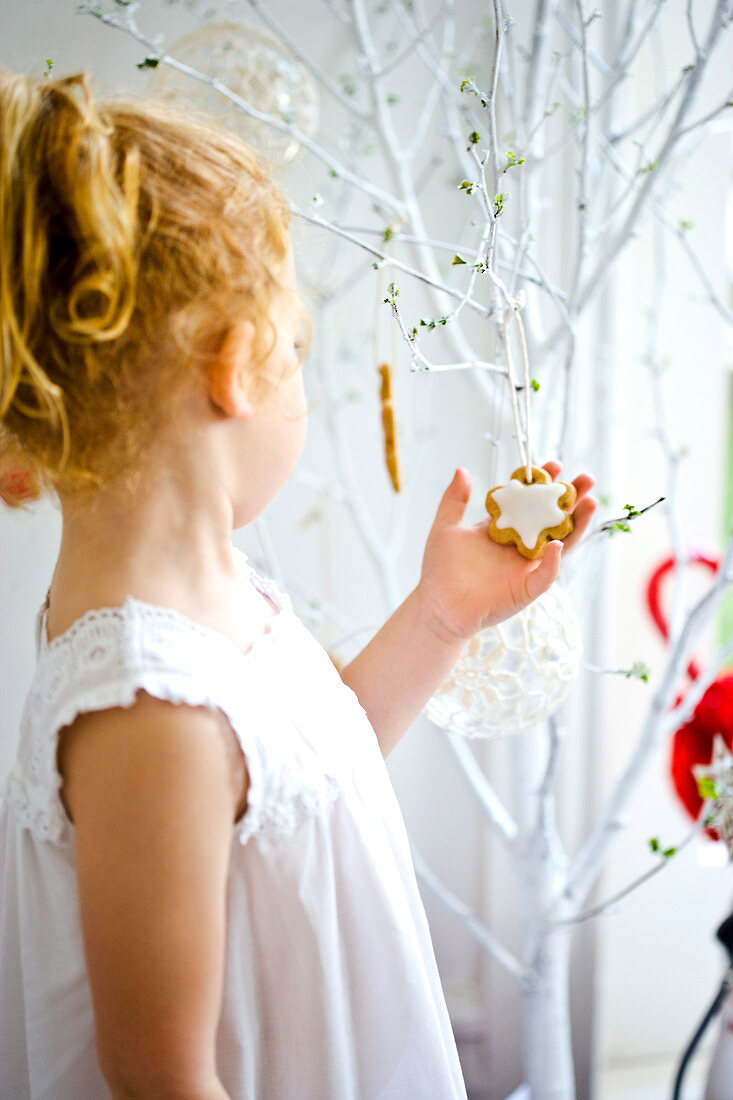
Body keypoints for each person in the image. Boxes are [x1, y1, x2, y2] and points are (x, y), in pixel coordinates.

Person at [0, 71, 597, 1100]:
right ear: (235, 366)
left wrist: (439, 614)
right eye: (300, 353)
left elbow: (304, 773)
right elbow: (161, 1077)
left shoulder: (213, 596)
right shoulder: (150, 707)